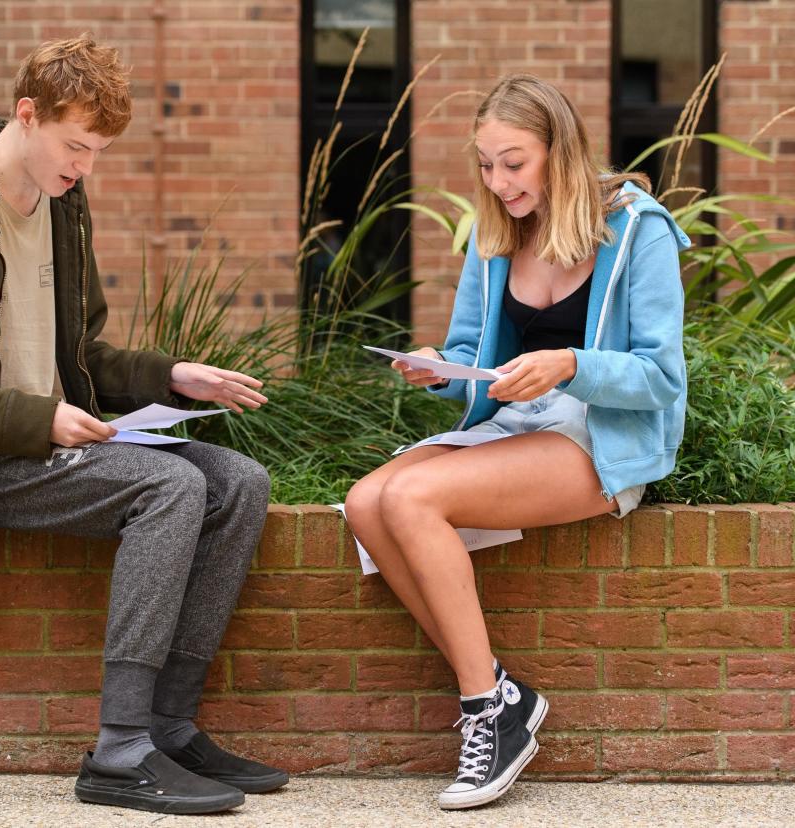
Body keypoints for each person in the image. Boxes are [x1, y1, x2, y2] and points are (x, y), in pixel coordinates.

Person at [0, 33, 287, 815]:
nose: (84, 166)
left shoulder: (61, 203)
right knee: (166, 488)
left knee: (239, 484)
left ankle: (167, 724)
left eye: (96, 152)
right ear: (27, 114)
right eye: (75, 146)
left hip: (53, 440)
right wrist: (38, 421)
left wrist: (170, 376)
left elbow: (81, 354)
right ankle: (120, 750)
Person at [344, 74, 690, 810]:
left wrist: (570, 365)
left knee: (411, 495)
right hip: (515, 426)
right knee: (366, 502)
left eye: (514, 162)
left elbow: (662, 377)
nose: (497, 182)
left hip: (597, 434)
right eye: (485, 164)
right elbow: (475, 356)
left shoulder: (637, 228)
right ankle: (500, 694)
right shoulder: (498, 234)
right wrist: (438, 371)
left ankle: (484, 712)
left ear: (558, 153)